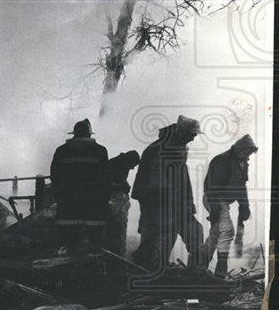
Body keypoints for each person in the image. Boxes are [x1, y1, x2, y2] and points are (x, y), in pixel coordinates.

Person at [131, 115, 205, 274]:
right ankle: (146, 271)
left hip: (174, 203)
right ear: (182, 132)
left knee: (194, 232)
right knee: (156, 239)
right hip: (157, 202)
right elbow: (154, 182)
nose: (192, 139)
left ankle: (195, 271)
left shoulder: (178, 146)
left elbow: (182, 177)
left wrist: (188, 203)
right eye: (191, 135)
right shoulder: (160, 149)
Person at [202, 134, 257, 278]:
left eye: (250, 153)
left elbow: (241, 187)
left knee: (216, 234)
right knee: (227, 231)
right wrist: (214, 209)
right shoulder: (222, 160)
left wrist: (244, 208)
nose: (248, 156)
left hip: (224, 201)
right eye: (246, 152)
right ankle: (220, 273)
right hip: (214, 197)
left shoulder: (242, 163)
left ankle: (198, 267)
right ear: (238, 149)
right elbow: (212, 187)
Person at [49, 119, 110, 250]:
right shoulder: (100, 151)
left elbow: (55, 176)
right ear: (89, 134)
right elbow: (105, 178)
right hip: (94, 207)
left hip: (67, 207)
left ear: (74, 134)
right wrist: (104, 198)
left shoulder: (61, 151)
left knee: (68, 244)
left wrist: (59, 196)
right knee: (94, 246)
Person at [106, 149, 140, 257]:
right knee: (115, 232)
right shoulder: (114, 164)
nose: (133, 168)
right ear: (129, 160)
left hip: (116, 200)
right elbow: (110, 182)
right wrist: (122, 186)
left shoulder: (121, 164)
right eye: (133, 165)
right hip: (112, 202)